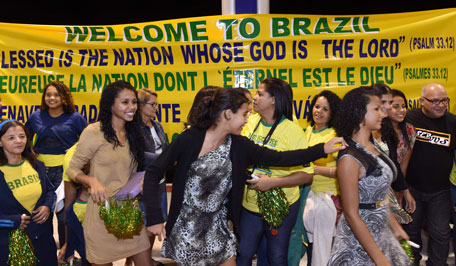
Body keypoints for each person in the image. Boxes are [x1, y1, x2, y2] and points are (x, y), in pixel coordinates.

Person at [143, 87, 346, 266]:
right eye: (244, 114)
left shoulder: (239, 145)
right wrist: (154, 217)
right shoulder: (190, 138)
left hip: (219, 229)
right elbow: (153, 173)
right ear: (228, 114)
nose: (248, 119)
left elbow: (281, 158)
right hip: (187, 228)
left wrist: (322, 149)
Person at [66, 80, 153, 266]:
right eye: (125, 102)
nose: (132, 107)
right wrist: (90, 181)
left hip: (129, 212)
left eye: (134, 102)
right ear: (110, 104)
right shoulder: (94, 132)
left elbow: (130, 172)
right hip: (101, 216)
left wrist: (141, 183)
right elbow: (72, 169)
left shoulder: (133, 133)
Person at [328, 86, 411, 266]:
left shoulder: (373, 147)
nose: (383, 112)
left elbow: (378, 196)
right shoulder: (350, 157)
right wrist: (379, 258)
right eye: (376, 109)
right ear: (360, 114)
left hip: (381, 233)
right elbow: (351, 213)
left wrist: (395, 227)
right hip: (359, 243)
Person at [236, 78, 315, 266]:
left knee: (276, 256)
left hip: (281, 207)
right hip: (250, 205)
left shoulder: (292, 130)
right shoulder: (249, 122)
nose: (254, 98)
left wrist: (272, 183)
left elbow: (307, 174)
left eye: (260, 94)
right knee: (243, 253)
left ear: (274, 99)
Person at [25, 81, 87, 255]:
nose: (52, 98)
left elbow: (88, 142)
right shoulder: (35, 116)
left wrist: (74, 152)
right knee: (40, 214)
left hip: (66, 172)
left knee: (64, 216)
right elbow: (25, 138)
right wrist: (31, 154)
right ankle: (44, 253)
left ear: (65, 97)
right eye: (48, 94)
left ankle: (67, 252)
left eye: (56, 94)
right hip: (40, 172)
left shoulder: (76, 118)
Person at [403, 83, 456, 265]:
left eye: (444, 100)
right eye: (435, 101)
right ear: (422, 101)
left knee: (441, 233)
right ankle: (411, 263)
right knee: (409, 233)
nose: (441, 105)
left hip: (440, 191)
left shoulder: (453, 122)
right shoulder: (409, 118)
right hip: (411, 189)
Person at [0, 120, 57, 266]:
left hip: (43, 240)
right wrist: (11, 221)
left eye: (22, 136)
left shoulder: (36, 164)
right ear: (0, 142)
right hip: (9, 246)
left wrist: (47, 206)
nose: (18, 141)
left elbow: (51, 191)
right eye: (11, 138)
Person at [298, 90, 342, 266]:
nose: (319, 111)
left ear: (333, 113)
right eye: (317, 106)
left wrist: (312, 169)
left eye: (325, 109)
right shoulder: (307, 130)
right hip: (305, 195)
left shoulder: (335, 135)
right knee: (308, 246)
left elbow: (342, 171)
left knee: (323, 251)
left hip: (327, 198)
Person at [371, 84, 415, 225]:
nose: (388, 107)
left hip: (389, 189)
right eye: (386, 103)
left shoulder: (398, 132)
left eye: (390, 103)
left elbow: (397, 164)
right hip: (368, 191)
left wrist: (402, 190)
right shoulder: (364, 128)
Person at [137, 88, 168, 266]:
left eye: (157, 104)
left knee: (157, 219)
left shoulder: (157, 126)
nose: (156, 108)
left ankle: (146, 259)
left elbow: (165, 147)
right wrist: (163, 159)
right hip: (142, 181)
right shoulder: (133, 128)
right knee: (143, 223)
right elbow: (137, 155)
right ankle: (142, 260)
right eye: (152, 104)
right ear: (141, 105)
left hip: (160, 180)